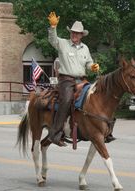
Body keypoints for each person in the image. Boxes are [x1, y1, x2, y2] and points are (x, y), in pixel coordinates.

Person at [47, 11, 115, 145]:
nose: (74, 35)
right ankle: (55, 133)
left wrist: (93, 66)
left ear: (81, 35)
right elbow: (52, 40)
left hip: (82, 80)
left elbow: (88, 63)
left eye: (77, 33)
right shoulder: (62, 44)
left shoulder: (85, 48)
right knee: (66, 100)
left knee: (98, 95)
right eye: (73, 32)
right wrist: (53, 27)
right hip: (66, 80)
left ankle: (106, 130)